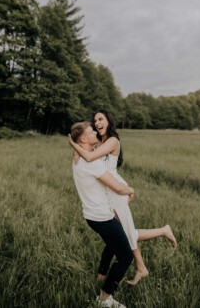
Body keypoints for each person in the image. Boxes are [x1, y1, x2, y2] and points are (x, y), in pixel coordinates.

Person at [68, 109, 177, 286]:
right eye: (94, 120)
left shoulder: (112, 141)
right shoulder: (99, 142)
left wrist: (73, 143)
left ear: (108, 121)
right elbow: (84, 153)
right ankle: (135, 266)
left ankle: (147, 258)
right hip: (108, 192)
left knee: (127, 233)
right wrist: (77, 147)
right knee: (122, 234)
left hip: (116, 191)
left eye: (100, 119)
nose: (97, 123)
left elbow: (87, 156)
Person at [70, 121, 134, 308]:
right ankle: (105, 298)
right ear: (84, 139)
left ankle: (102, 272)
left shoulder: (78, 158)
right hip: (101, 217)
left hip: (93, 215)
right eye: (91, 131)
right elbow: (117, 187)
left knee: (114, 242)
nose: (95, 132)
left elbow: (90, 149)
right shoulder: (91, 164)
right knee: (126, 257)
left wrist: (74, 145)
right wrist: (131, 189)